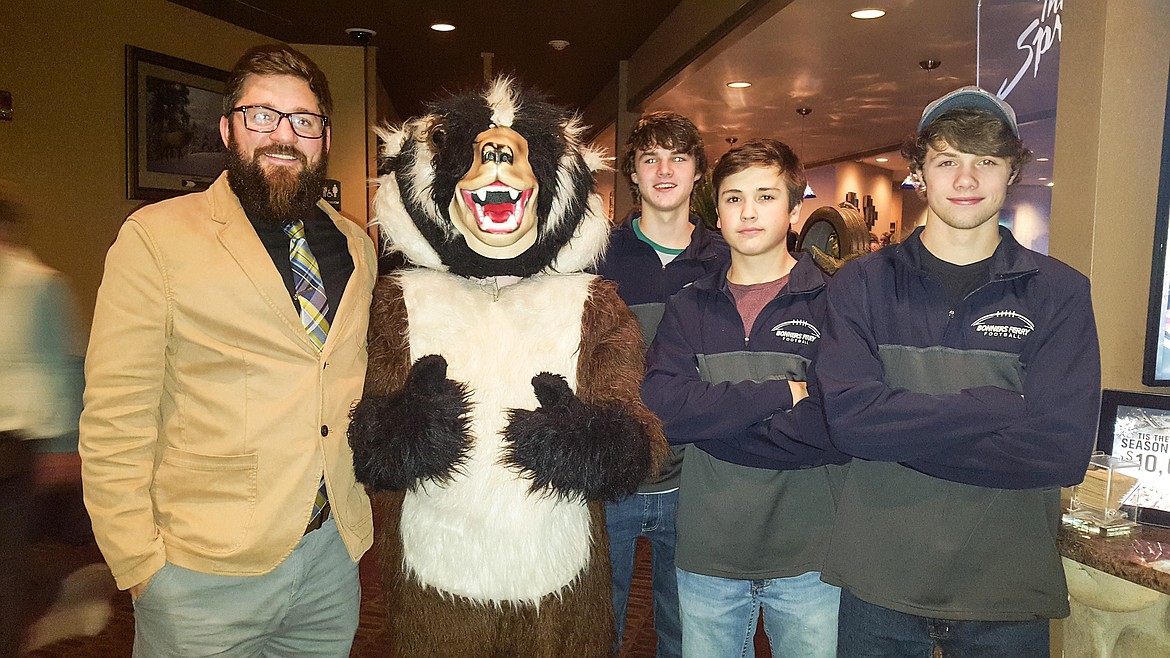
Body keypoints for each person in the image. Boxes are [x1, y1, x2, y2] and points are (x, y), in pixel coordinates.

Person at [80, 44, 376, 657]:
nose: (284, 135)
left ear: (322, 137)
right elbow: (116, 418)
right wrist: (140, 566)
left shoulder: (357, 245)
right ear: (226, 128)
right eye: (262, 115)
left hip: (329, 559)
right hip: (201, 571)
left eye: (304, 120)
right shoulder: (155, 239)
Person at [814, 86, 1101, 656]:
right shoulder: (860, 285)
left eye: (986, 162)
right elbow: (847, 422)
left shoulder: (1061, 293)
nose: (966, 180)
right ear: (918, 170)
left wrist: (892, 429)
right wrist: (991, 407)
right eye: (947, 161)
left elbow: (1062, 451)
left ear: (1011, 171)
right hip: (879, 586)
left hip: (1007, 593)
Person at [642, 138, 848, 658]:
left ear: (795, 207)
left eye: (766, 196)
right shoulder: (689, 306)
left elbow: (840, 427)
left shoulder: (836, 303)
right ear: (718, 211)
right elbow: (663, 406)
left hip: (813, 554)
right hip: (709, 552)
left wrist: (714, 422)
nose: (749, 212)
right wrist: (783, 392)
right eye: (734, 199)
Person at [595, 111, 727, 657]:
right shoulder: (597, 254)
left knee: (689, 634)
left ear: (699, 172)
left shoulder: (727, 256)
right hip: (611, 476)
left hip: (699, 476)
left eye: (678, 157)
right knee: (600, 629)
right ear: (634, 173)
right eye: (651, 158)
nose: (665, 169)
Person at [0, 188, 82, 656]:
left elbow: (63, 364)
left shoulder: (39, 284)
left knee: (8, 560)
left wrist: (63, 445)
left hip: (17, 441)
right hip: (17, 441)